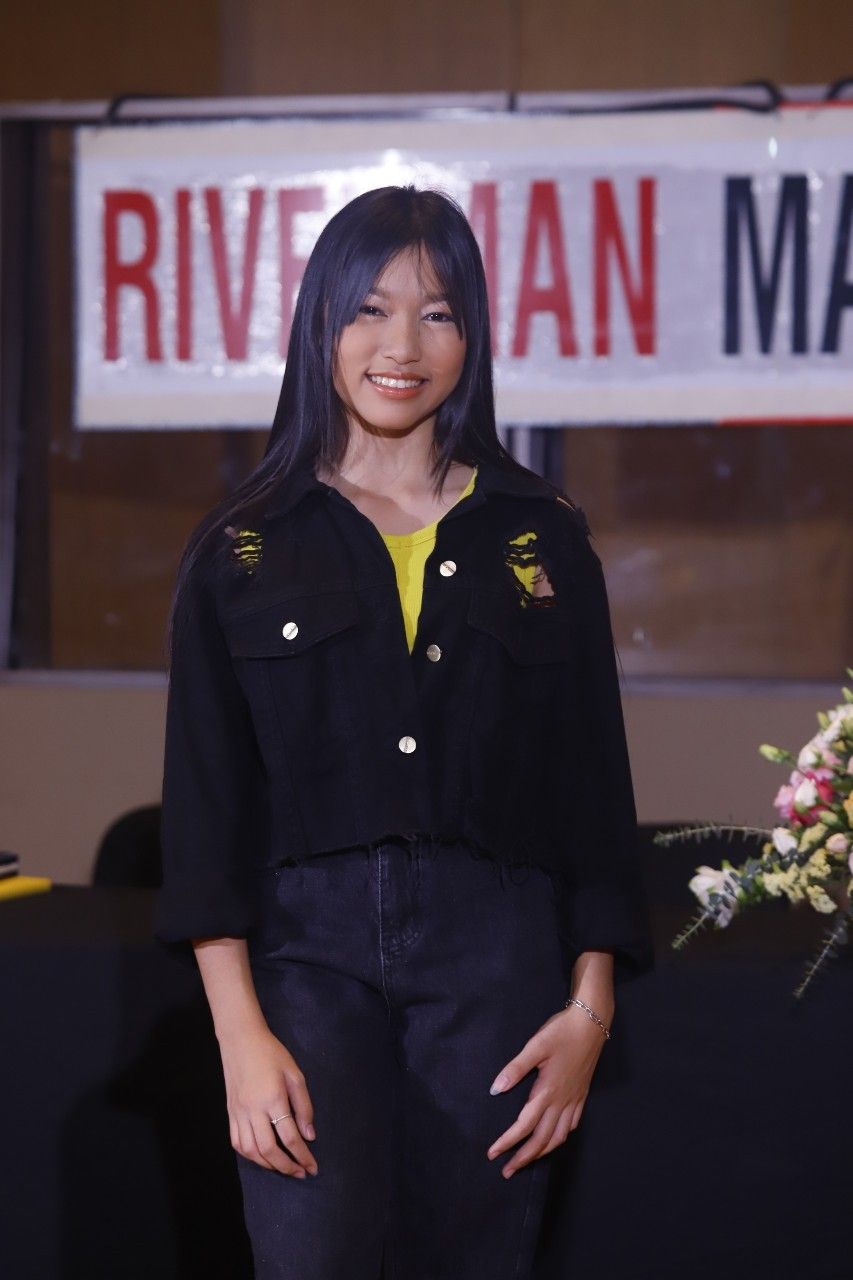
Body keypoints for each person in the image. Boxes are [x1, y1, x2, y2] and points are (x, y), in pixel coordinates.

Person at [154, 184, 655, 1279]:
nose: (401, 346)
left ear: (470, 339)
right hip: (301, 963)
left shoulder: (540, 536)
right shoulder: (242, 547)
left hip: (496, 960)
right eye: (370, 309)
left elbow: (591, 788)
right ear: (320, 324)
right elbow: (203, 811)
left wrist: (588, 1009)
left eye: (437, 314)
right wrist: (238, 1035)